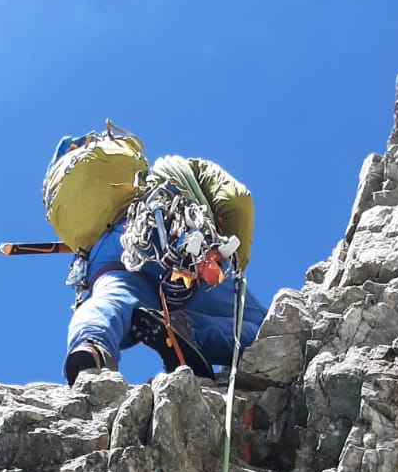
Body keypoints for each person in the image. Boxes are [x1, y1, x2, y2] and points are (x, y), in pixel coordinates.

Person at [50, 140, 267, 386]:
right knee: (264, 330)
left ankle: (91, 345)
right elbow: (236, 199)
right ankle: (188, 331)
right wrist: (235, 263)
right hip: (173, 233)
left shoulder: (83, 209)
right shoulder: (178, 169)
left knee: (110, 298)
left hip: (105, 255)